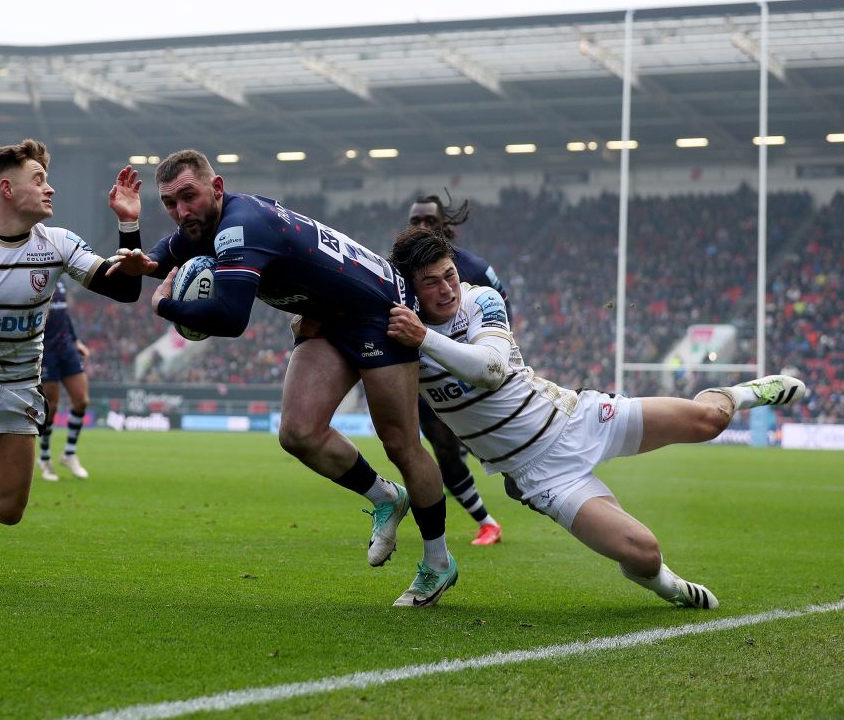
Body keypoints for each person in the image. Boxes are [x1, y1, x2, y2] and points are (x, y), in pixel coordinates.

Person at [386, 227, 807, 609]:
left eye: (450, 275)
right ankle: (669, 586)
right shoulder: (400, 333)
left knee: (709, 421)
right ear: (412, 288)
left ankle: (741, 393)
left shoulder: (481, 299)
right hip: (541, 476)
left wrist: (424, 338)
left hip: (578, 416)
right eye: (432, 282)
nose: (447, 289)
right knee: (644, 553)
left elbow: (491, 370)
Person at [107, 150, 457, 607]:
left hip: (379, 311)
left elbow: (230, 319)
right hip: (326, 315)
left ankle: (438, 562)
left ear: (216, 188)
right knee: (298, 433)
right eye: (170, 203)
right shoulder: (202, 225)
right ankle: (385, 497)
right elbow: (143, 269)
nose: (181, 212)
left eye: (188, 197)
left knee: (401, 444)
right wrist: (130, 229)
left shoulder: (240, 225)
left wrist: (165, 306)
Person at [0, 139, 142, 588]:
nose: (49, 189)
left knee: (8, 510)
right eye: (39, 179)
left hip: (19, 384)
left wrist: (128, 227)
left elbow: (126, 291)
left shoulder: (58, 243)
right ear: (7, 188)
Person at [407, 194, 508, 546]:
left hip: (475, 376)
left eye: (428, 221)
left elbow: (502, 306)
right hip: (429, 381)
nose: (421, 226)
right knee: (443, 450)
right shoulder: (401, 272)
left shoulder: (474, 268)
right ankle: (486, 522)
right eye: (414, 221)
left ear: (443, 225)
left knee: (497, 449)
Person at [37, 279, 92, 481]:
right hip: (46, 350)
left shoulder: (60, 283)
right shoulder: (35, 280)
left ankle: (69, 454)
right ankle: (44, 459)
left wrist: (76, 340)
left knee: (82, 400)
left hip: (67, 348)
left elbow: (64, 315)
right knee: (51, 407)